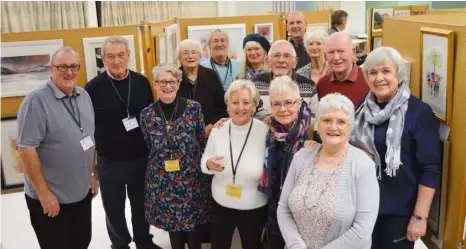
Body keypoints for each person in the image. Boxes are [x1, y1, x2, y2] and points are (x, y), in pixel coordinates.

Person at [351, 47, 442, 249]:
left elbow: (431, 168)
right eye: (372, 72)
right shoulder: (360, 109)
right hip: (362, 208)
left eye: (386, 71)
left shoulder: (419, 112)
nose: (379, 78)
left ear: (398, 74)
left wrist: (420, 217)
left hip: (398, 212)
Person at [85, 36, 160, 249]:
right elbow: (88, 130)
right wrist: (91, 170)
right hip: (110, 161)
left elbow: (150, 118)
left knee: (141, 204)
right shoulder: (92, 88)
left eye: (120, 55)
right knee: (113, 207)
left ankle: (144, 240)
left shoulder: (142, 82)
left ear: (128, 56)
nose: (116, 61)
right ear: (103, 58)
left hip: (140, 157)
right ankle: (120, 244)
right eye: (110, 56)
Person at [17, 47, 97, 249]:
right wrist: (44, 194)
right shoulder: (36, 100)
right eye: (62, 66)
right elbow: (26, 149)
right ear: (51, 68)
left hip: (80, 193)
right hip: (52, 198)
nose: (69, 72)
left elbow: (88, 139)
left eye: (73, 67)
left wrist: (92, 173)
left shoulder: (84, 96)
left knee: (81, 242)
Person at [277, 93, 379, 249]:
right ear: (317, 125)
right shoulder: (301, 157)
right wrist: (295, 245)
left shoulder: (363, 166)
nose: (333, 127)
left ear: (351, 127)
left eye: (341, 122)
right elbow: (283, 209)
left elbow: (362, 231)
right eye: (327, 120)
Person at [140, 64, 210, 249]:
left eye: (172, 81)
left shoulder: (194, 108)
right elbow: (149, 145)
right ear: (155, 84)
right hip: (163, 180)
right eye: (162, 81)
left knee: (194, 224)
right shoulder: (146, 114)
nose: (168, 86)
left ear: (179, 84)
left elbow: (201, 140)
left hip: (191, 178)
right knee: (172, 225)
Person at [201, 80, 269, 249]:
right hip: (221, 204)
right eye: (235, 102)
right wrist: (208, 164)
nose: (240, 107)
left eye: (246, 102)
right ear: (228, 105)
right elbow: (204, 160)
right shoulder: (219, 129)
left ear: (254, 105)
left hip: (254, 206)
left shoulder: (265, 131)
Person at [176, 39, 229, 137]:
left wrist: (211, 125)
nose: (190, 56)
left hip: (211, 132)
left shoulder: (211, 75)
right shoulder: (174, 78)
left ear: (200, 56)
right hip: (181, 134)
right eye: (185, 53)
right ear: (179, 57)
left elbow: (223, 107)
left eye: (194, 52)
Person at [252, 40, 315, 120]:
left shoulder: (309, 87)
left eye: (286, 56)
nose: (281, 60)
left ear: (295, 62)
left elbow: (314, 122)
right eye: (276, 55)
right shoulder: (255, 85)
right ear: (268, 61)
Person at [317, 32, 370, 108]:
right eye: (331, 52)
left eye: (341, 51)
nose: (336, 57)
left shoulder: (369, 81)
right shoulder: (322, 85)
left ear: (353, 52)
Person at [297, 29, 331, 116]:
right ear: (306, 48)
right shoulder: (300, 73)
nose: (314, 47)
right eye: (310, 44)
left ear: (325, 46)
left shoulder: (334, 70)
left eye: (318, 43)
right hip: (308, 119)